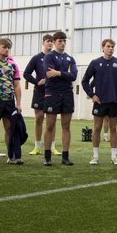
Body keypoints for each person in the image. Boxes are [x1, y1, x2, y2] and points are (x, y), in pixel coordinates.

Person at [81, 38, 117, 165]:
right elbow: (85, 81)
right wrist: (92, 95)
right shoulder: (95, 63)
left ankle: (114, 156)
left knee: (113, 128)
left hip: (114, 102)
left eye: (112, 47)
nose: (111, 49)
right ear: (103, 47)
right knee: (97, 128)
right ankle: (95, 156)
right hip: (99, 102)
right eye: (108, 46)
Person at [41, 31, 78, 165]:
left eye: (64, 41)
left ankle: (65, 156)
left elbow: (73, 75)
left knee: (66, 126)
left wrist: (58, 73)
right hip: (52, 93)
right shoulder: (49, 57)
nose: (62, 43)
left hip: (67, 94)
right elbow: (49, 73)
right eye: (60, 41)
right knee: (50, 125)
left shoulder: (70, 59)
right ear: (54, 42)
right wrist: (63, 74)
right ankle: (47, 157)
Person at [23, 33, 56, 155]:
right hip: (39, 92)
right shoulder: (36, 58)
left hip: (53, 92)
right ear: (43, 42)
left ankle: (52, 147)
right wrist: (37, 82)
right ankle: (37, 147)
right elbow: (26, 73)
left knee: (51, 120)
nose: (50, 43)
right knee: (39, 118)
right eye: (48, 41)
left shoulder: (56, 57)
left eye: (51, 41)